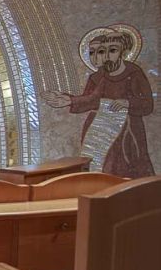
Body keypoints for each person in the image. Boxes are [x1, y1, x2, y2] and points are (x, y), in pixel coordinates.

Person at [44, 29, 154, 177]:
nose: (107, 56)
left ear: (123, 52)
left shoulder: (133, 73)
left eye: (112, 50)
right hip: (99, 128)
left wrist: (127, 103)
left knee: (122, 169)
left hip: (126, 132)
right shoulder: (101, 76)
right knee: (99, 167)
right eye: (105, 51)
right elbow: (91, 99)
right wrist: (68, 100)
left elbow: (147, 104)